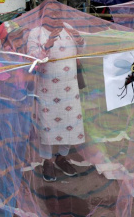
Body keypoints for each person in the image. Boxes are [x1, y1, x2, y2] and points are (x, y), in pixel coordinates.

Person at [27, 10, 85, 182]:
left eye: (57, 13)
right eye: (50, 14)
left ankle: (61, 157)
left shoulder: (68, 28)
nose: (55, 17)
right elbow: (33, 57)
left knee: (69, 122)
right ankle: (48, 161)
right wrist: (49, 42)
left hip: (70, 87)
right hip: (47, 89)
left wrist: (80, 39)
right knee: (47, 124)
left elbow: (82, 49)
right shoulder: (35, 33)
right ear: (42, 15)